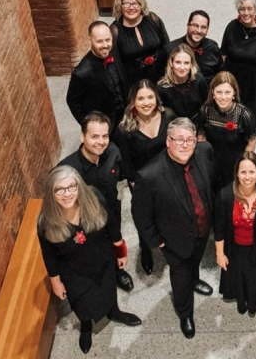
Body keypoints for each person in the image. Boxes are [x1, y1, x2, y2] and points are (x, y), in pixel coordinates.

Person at [37, 166, 141, 354]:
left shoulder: (94, 197)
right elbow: (49, 255)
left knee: (108, 289)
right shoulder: (46, 222)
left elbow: (112, 226)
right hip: (74, 273)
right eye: (60, 189)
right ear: (51, 193)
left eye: (72, 187)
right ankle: (86, 325)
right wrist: (56, 282)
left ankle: (114, 312)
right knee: (81, 303)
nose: (67, 194)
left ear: (79, 187)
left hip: (103, 260)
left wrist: (121, 251)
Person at [132, 117, 215, 339]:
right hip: (173, 241)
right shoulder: (149, 175)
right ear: (168, 141)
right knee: (180, 278)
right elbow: (141, 215)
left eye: (190, 140)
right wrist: (156, 242)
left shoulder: (205, 152)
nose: (185, 145)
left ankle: (195, 279)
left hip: (202, 230)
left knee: (194, 263)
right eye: (179, 140)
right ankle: (184, 311)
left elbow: (211, 187)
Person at [58, 111, 134, 292]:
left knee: (114, 243)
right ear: (82, 136)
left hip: (112, 212)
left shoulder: (113, 152)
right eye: (94, 137)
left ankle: (118, 271)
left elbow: (123, 175)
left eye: (105, 136)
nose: (101, 142)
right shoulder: (67, 170)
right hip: (87, 222)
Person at [115, 80, 177, 274]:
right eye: (140, 98)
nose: (146, 102)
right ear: (133, 101)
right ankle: (145, 248)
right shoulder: (125, 128)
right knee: (144, 215)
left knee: (169, 212)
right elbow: (125, 161)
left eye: (150, 97)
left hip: (169, 175)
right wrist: (135, 183)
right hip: (142, 181)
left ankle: (170, 244)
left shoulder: (168, 116)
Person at [214, 152, 256, 320]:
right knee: (240, 277)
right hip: (235, 249)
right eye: (243, 172)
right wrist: (220, 254)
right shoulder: (225, 196)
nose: (247, 177)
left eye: (252, 172)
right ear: (236, 173)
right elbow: (219, 229)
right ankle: (243, 301)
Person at [196, 71, 256, 189]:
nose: (223, 97)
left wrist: (244, 166)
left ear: (234, 92)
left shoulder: (244, 114)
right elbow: (201, 130)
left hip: (234, 162)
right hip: (212, 160)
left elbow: (252, 139)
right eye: (219, 92)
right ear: (213, 92)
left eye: (227, 92)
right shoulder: (205, 110)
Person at [66, 21, 127, 130]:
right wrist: (89, 126)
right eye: (99, 41)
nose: (105, 45)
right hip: (107, 124)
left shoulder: (114, 51)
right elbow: (73, 102)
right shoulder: (81, 72)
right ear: (90, 40)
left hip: (126, 116)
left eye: (107, 40)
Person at [110, 0, 169, 90]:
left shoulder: (153, 19)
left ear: (141, 5)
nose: (131, 7)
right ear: (120, 6)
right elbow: (116, 64)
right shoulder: (115, 30)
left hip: (160, 75)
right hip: (134, 82)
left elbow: (167, 45)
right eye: (126, 4)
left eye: (135, 3)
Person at [161, 10, 223, 84]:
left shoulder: (213, 47)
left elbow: (220, 75)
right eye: (195, 25)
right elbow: (161, 79)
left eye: (203, 27)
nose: (199, 31)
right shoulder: (170, 49)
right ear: (188, 26)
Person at [157, 44, 208, 120]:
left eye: (186, 63)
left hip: (198, 124)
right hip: (173, 126)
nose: (182, 67)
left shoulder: (199, 80)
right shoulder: (161, 87)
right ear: (171, 63)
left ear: (191, 64)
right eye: (178, 62)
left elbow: (206, 105)